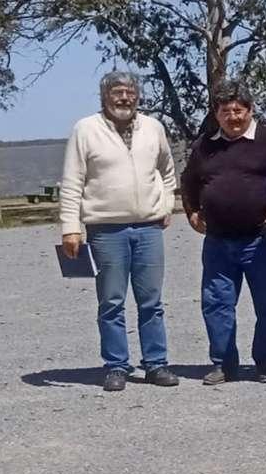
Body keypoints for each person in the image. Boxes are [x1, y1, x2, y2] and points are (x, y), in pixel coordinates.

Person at [59, 71, 179, 392]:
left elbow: (167, 171)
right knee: (111, 302)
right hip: (105, 230)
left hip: (148, 229)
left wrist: (166, 205)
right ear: (105, 96)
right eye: (117, 92)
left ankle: (156, 364)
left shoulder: (153, 128)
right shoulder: (85, 129)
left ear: (137, 96)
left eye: (129, 92)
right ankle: (116, 366)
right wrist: (70, 228)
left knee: (151, 301)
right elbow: (72, 182)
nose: (124, 98)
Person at [180, 80, 266, 385]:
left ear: (250, 110)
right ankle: (223, 363)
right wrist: (191, 210)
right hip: (217, 241)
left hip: (260, 239)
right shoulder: (204, 145)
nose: (233, 117)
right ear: (216, 114)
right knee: (217, 305)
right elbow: (188, 181)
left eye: (238, 110)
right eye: (225, 111)